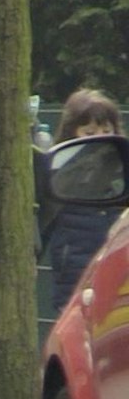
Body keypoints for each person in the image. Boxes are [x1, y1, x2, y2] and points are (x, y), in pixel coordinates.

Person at [40, 88, 125, 316]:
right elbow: (41, 221)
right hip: (74, 275)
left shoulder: (121, 167)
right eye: (89, 132)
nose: (100, 137)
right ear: (72, 132)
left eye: (107, 130)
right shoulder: (59, 171)